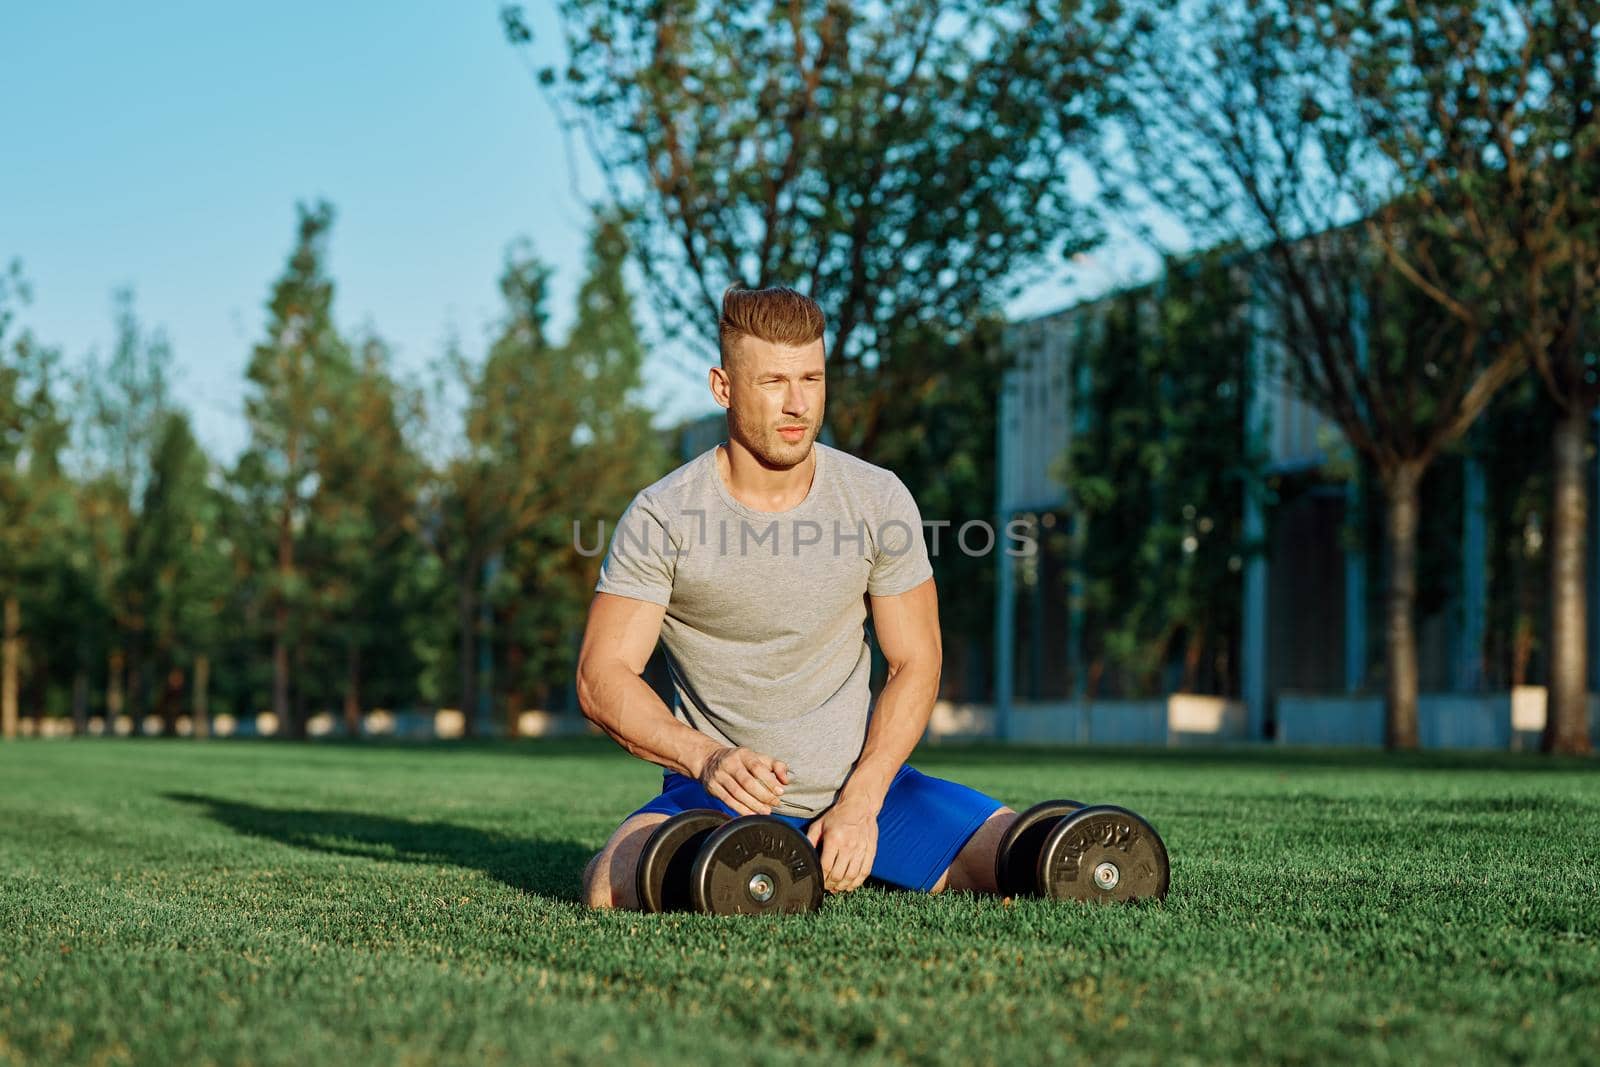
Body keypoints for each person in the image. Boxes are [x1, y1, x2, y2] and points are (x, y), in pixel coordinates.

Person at [577, 285, 1017, 908]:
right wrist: (706, 759)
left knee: (1037, 859)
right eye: (773, 382)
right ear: (723, 387)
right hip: (717, 801)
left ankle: (858, 850)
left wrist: (863, 800)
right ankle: (704, 855)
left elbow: (916, 661)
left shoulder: (876, 498)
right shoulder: (663, 515)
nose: (797, 404)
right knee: (610, 889)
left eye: (811, 378)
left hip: (869, 793)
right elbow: (602, 677)